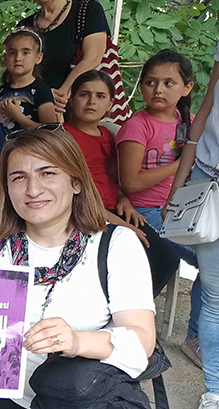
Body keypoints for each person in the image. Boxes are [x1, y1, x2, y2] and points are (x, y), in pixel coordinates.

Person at [0, 126, 156, 408]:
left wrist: (77, 341)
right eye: (19, 177)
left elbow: (141, 340)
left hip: (77, 396)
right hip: (5, 395)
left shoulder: (116, 244)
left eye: (47, 173)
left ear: (76, 182)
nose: (33, 189)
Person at [117, 49, 200, 364]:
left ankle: (200, 331)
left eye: (169, 83)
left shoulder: (189, 122)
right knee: (209, 259)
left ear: (187, 87)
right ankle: (196, 337)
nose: (159, 90)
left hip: (185, 209)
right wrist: (180, 164)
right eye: (151, 82)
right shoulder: (138, 126)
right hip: (146, 210)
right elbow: (132, 183)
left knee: (214, 256)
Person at [166, 35, 219, 409]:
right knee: (216, 299)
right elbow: (205, 109)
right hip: (209, 177)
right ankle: (214, 391)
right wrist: (180, 179)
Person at [18, 0, 131, 122]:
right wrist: (45, 99)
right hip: (38, 115)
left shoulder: (87, 10)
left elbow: (93, 57)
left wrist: (63, 93)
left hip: (85, 113)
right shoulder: (24, 27)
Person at [64, 70, 149, 233]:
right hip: (82, 214)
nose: (91, 102)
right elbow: (67, 193)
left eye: (100, 96)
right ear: (71, 100)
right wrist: (126, 228)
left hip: (114, 209)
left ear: (110, 104)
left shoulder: (109, 134)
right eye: (84, 95)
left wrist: (124, 200)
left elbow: (111, 177)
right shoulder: (62, 136)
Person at [0, 27, 57, 134]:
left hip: (31, 148)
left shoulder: (42, 91)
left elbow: (50, 130)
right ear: (5, 58)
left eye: (25, 53)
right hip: (1, 149)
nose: (18, 58)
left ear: (38, 58)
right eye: (12, 53)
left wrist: (18, 116)